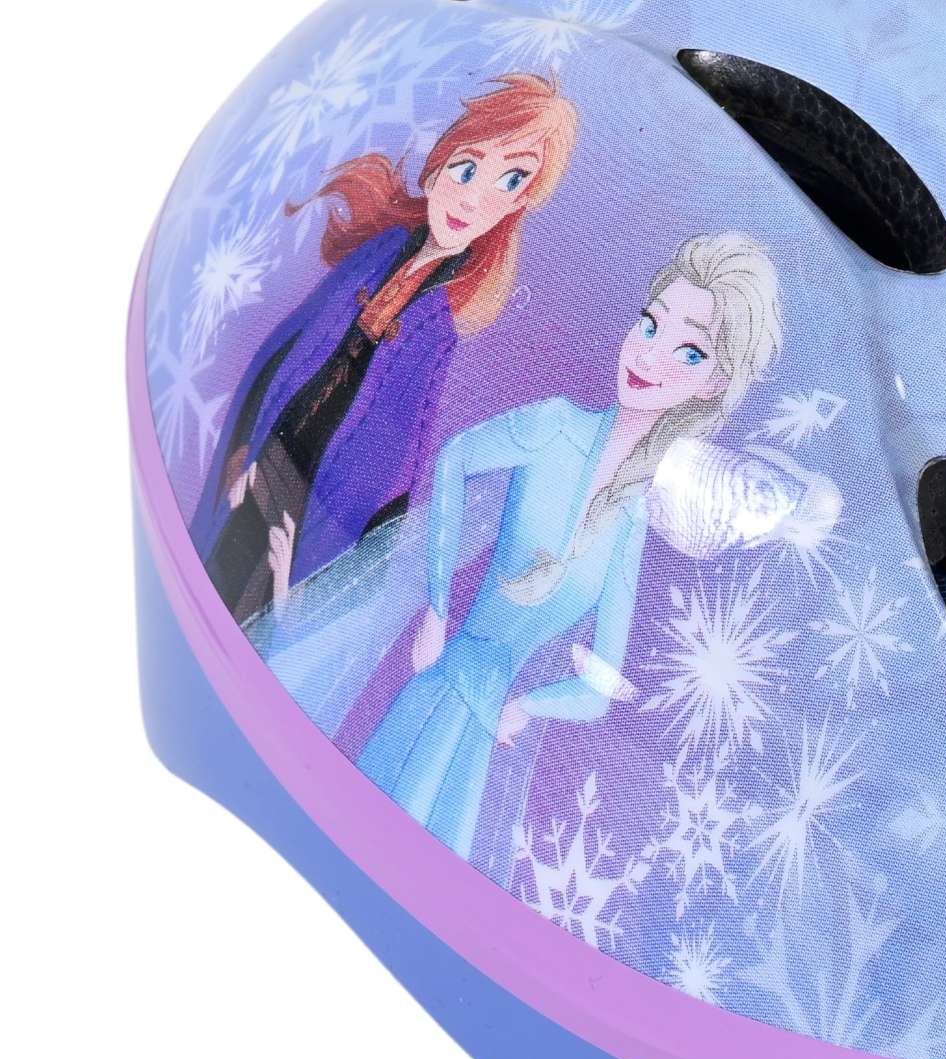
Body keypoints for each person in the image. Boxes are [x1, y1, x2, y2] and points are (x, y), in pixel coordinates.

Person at [356, 233, 784, 859]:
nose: (649, 352)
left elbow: (601, 684)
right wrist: (437, 607)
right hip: (443, 672)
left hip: (486, 719)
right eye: (650, 323)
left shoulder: (632, 523)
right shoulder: (554, 426)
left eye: (689, 351)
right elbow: (454, 459)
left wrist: (529, 706)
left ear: (713, 384)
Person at [191, 75, 579, 623]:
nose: (472, 197)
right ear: (438, 166)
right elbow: (291, 342)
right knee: (211, 569)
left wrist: (320, 566)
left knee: (249, 605)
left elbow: (400, 454)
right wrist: (242, 450)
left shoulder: (440, 324)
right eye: (467, 168)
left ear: (518, 204)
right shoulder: (382, 250)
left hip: (315, 503)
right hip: (271, 443)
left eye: (510, 181)